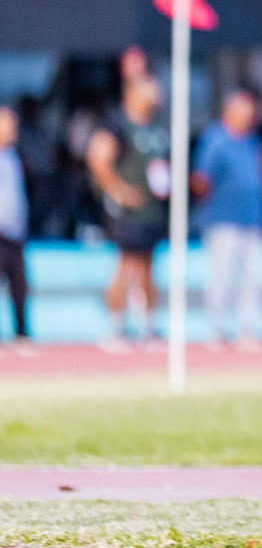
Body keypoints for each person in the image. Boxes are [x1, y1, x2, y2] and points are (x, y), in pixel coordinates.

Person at [86, 75, 170, 352]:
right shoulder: (117, 125)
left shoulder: (157, 127)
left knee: (147, 267)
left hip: (151, 209)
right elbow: (98, 159)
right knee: (125, 264)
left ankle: (147, 326)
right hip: (127, 211)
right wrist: (118, 191)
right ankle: (116, 327)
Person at [193, 90, 262, 352]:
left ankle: (248, 330)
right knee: (222, 277)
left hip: (252, 219)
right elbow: (201, 180)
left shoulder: (251, 141)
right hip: (223, 220)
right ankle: (216, 330)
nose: (250, 117)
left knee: (252, 278)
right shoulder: (215, 139)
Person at [0, 107, 36, 354]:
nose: (14, 130)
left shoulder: (13, 156)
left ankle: (22, 334)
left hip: (15, 232)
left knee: (20, 286)